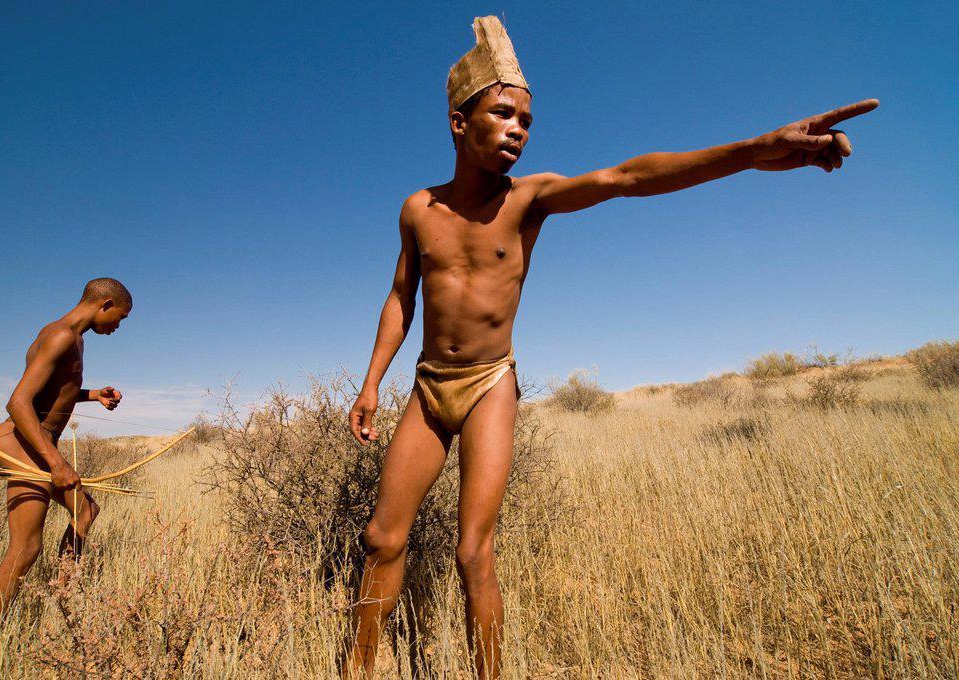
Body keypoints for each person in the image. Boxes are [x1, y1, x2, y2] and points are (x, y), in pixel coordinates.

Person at [344, 16, 877, 678]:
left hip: (487, 384)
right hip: (429, 386)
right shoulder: (418, 209)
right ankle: (356, 669)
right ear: (459, 123)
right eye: (503, 114)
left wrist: (755, 149)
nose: (518, 129)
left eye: (527, 121)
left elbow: (628, 176)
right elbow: (401, 297)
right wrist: (371, 384)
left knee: (472, 552)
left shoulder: (530, 199)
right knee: (381, 538)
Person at [0, 277, 131, 641]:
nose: (117, 327)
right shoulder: (61, 335)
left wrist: (93, 394)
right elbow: (17, 403)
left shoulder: (71, 337)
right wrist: (57, 463)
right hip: (20, 442)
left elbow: (54, 392)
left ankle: (61, 596)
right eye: (120, 318)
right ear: (105, 304)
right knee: (26, 547)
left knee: (86, 510)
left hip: (36, 443)